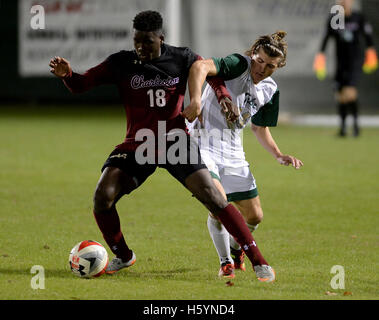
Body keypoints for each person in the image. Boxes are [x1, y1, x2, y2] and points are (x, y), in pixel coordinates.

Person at [49, 10, 275, 282]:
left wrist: (219, 97)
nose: (141, 47)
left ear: (161, 39)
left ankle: (258, 262)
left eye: (147, 41)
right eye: (137, 41)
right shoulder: (122, 62)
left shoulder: (181, 57)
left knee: (215, 198)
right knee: (102, 196)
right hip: (138, 143)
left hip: (175, 141)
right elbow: (82, 84)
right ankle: (123, 255)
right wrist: (68, 75)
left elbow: (212, 76)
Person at [184, 31, 303, 279]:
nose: (262, 68)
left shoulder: (270, 89)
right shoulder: (238, 64)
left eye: (270, 65)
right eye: (259, 60)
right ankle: (225, 261)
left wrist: (278, 154)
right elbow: (199, 66)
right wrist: (195, 101)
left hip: (233, 150)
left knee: (255, 216)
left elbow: (259, 128)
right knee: (218, 201)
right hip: (203, 143)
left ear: (278, 66)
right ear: (253, 54)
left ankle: (237, 250)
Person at [313, 0, 377, 137]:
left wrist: (371, 54)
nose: (344, 3)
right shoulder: (334, 20)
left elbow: (368, 38)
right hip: (340, 63)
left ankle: (355, 127)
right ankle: (342, 129)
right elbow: (325, 38)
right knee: (340, 95)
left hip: (354, 62)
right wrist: (320, 57)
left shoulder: (358, 18)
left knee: (350, 92)